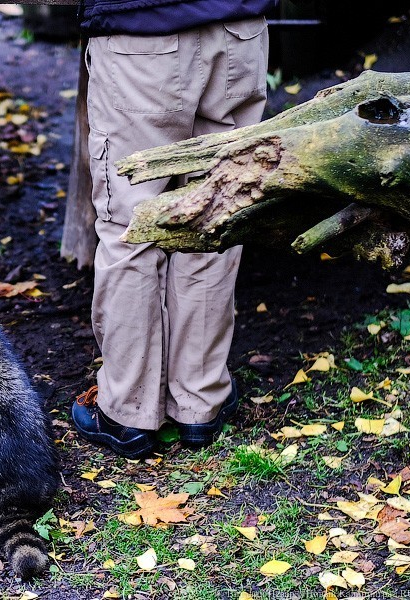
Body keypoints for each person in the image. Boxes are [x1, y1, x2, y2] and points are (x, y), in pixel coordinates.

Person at [71, 0, 277, 458]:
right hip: (237, 28)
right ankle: (200, 401)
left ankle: (128, 410)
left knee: (131, 224)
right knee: (217, 213)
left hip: (142, 35)